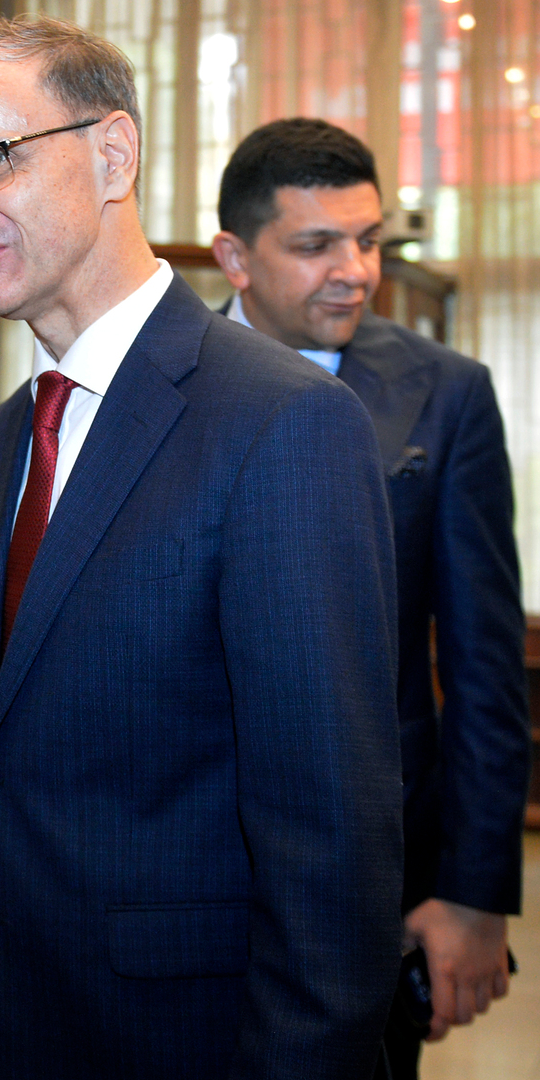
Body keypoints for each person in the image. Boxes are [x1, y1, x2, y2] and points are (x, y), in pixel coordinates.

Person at [0, 16, 406, 1079]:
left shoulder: (280, 422)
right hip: (7, 1025)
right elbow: (0, 741)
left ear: (114, 154)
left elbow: (330, 837)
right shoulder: (13, 434)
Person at [210, 117, 530, 1080]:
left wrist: (473, 891)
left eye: (368, 240)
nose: (353, 271)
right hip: (180, 855)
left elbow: (482, 664)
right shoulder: (156, 383)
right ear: (234, 257)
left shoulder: (445, 393)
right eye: (315, 245)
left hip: (372, 866)